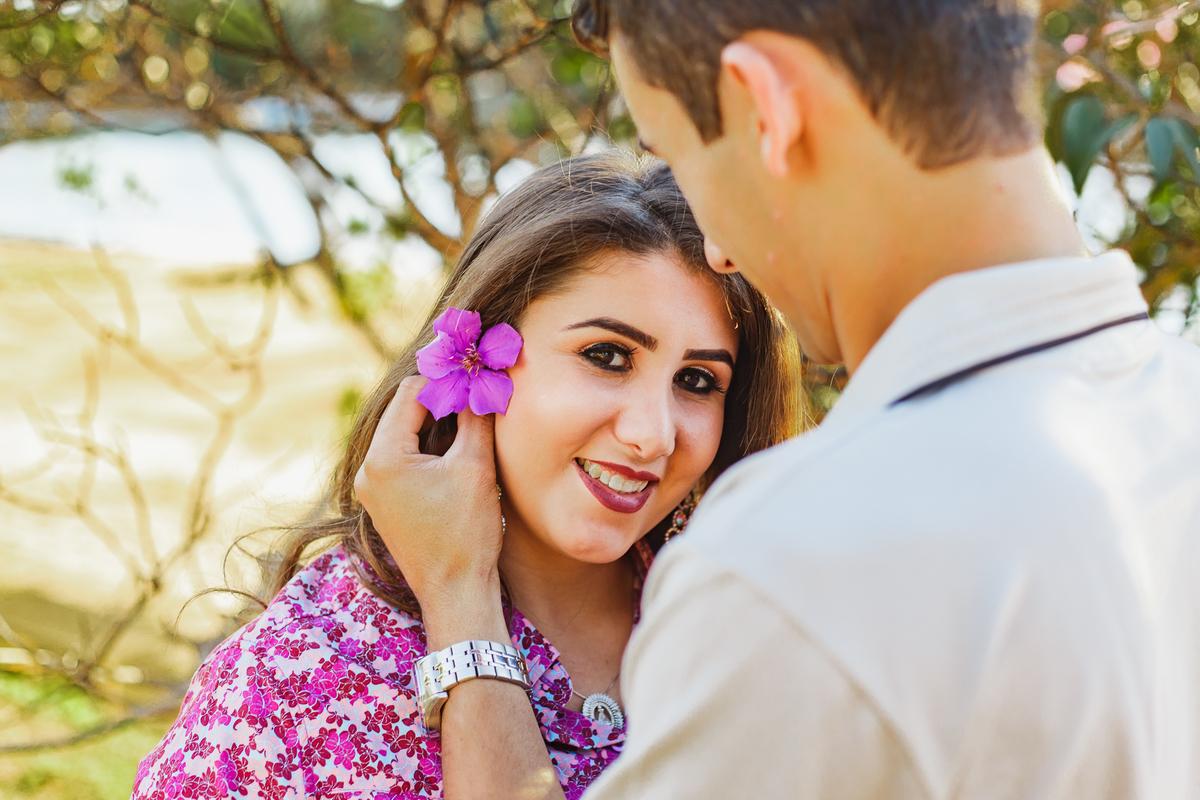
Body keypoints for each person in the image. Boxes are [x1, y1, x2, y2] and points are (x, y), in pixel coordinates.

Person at [362, 0, 1200, 798]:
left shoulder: (796, 570)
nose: (719, 252)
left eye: (684, 159)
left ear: (767, 103)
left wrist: (461, 602)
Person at [129, 152, 801, 799]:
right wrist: (462, 597)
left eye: (697, 380)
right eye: (607, 355)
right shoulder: (293, 680)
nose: (654, 434)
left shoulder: (753, 636)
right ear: (477, 354)